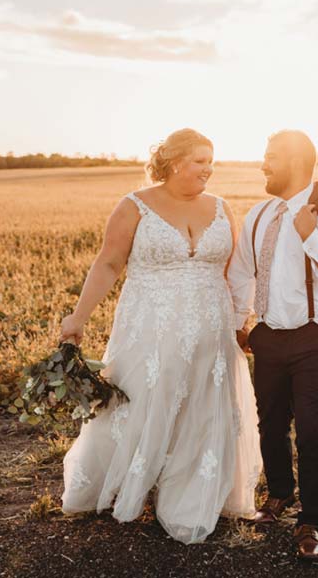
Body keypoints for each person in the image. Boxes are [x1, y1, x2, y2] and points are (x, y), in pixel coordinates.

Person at [59, 128, 262, 544]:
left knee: (204, 408)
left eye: (212, 161)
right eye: (200, 161)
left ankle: (192, 494)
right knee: (146, 400)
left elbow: (236, 272)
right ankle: (131, 483)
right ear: (174, 163)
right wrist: (78, 317)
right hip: (149, 327)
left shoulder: (223, 208)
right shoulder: (135, 205)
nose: (209, 169)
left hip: (211, 328)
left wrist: (243, 322)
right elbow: (109, 263)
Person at [227, 130, 318, 560]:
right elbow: (241, 272)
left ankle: (311, 521)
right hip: (268, 335)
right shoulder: (260, 214)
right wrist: (239, 323)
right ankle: (279, 495)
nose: (262, 165)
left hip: (317, 336)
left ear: (297, 162)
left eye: (270, 158)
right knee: (269, 422)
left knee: (312, 429)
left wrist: (309, 234)